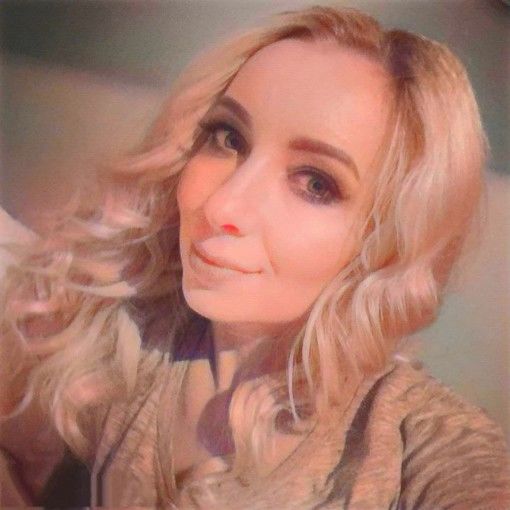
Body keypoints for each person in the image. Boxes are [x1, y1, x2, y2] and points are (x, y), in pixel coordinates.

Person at [1, 5, 509, 509]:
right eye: (228, 138)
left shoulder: (412, 441)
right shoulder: (117, 327)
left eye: (315, 183)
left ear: (387, 241)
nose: (222, 206)